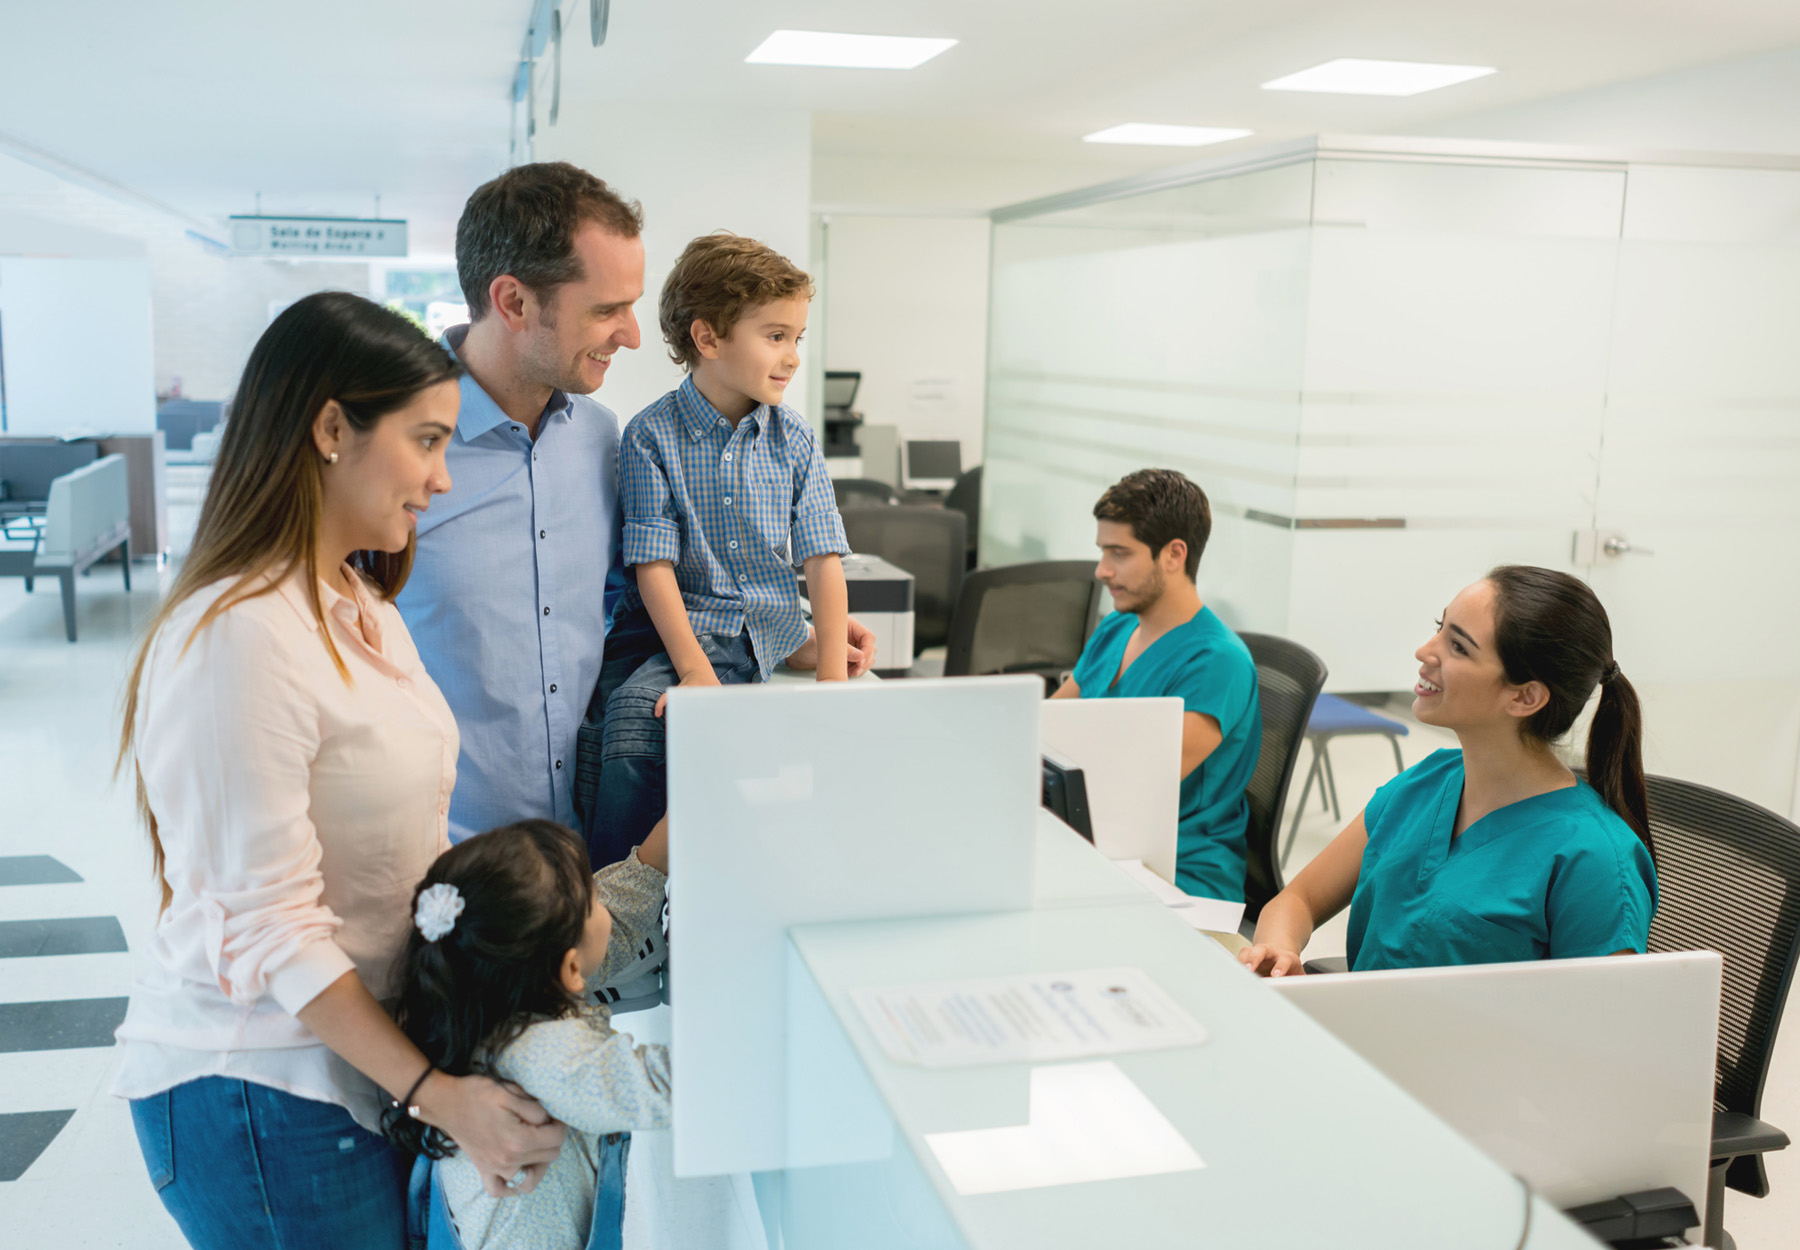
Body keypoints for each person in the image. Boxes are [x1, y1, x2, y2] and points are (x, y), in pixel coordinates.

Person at [112, 293, 565, 1250]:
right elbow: (271, 925)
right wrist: (439, 1096)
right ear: (330, 428)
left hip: (357, 1068)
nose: (443, 479)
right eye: (427, 441)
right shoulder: (240, 633)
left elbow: (399, 841)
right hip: (264, 1089)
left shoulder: (356, 601)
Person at [395, 165, 872, 857]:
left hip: (597, 861)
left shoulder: (601, 440)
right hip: (448, 864)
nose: (633, 335)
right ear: (514, 302)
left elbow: (630, 612)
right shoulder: (389, 452)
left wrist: (775, 632)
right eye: (604, 309)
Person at [1239, 565, 1659, 977]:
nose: (1425, 651)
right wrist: (1278, 951)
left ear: (1526, 696)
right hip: (1358, 1033)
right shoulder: (1427, 782)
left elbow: (1600, 1035)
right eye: (1440, 627)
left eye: (1458, 647)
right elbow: (1298, 900)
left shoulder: (1595, 861)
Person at [586, 232, 851, 867]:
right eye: (775, 335)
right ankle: (605, 899)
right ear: (708, 340)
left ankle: (626, 895)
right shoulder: (650, 435)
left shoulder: (795, 438)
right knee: (616, 727)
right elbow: (653, 566)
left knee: (635, 727)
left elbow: (823, 558)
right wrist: (695, 672)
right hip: (681, 632)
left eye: (797, 338)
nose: (791, 357)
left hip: (755, 633)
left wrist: (832, 676)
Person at [389, 818, 671, 1250]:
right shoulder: (544, 1051)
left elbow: (608, 928)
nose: (603, 898)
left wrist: (660, 849)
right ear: (570, 969)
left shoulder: (492, 996)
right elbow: (657, 1087)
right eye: (593, 896)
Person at [1051, 469, 1262, 902]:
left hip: (1178, 879)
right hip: (1099, 843)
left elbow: (1129, 789)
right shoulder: (1116, 628)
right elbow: (1047, 726)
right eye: (1102, 551)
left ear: (1173, 554)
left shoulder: (1217, 662)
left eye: (1119, 553)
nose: (1102, 570)